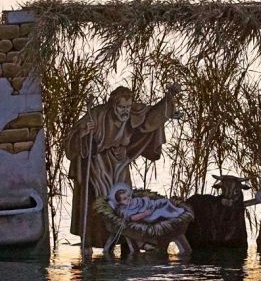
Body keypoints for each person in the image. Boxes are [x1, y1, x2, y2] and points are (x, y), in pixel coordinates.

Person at [66, 83, 180, 255]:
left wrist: (169, 98)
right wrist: (84, 132)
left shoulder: (133, 113)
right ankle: (90, 241)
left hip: (119, 161)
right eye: (121, 107)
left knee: (125, 199)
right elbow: (73, 139)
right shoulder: (96, 115)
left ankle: (129, 239)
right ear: (113, 105)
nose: (125, 111)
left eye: (128, 106)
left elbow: (151, 119)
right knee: (101, 199)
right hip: (99, 163)